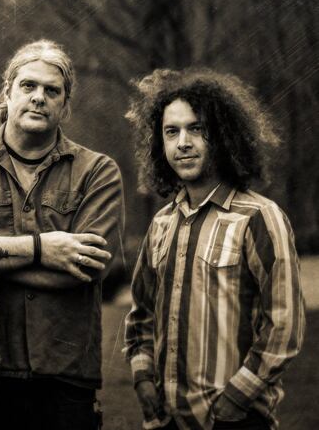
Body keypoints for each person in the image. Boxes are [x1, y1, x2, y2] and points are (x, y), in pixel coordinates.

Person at [0, 40, 124, 429]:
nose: (39, 98)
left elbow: (87, 268)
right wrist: (41, 249)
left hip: (67, 374)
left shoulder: (98, 171)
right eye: (29, 86)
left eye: (52, 91)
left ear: (65, 106)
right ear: (7, 93)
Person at [123, 68, 305, 430]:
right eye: (171, 132)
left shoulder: (259, 217)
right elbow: (141, 314)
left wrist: (235, 401)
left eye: (197, 128)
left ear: (223, 135)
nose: (183, 143)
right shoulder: (162, 223)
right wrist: (143, 379)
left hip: (236, 419)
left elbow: (284, 326)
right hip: (167, 420)